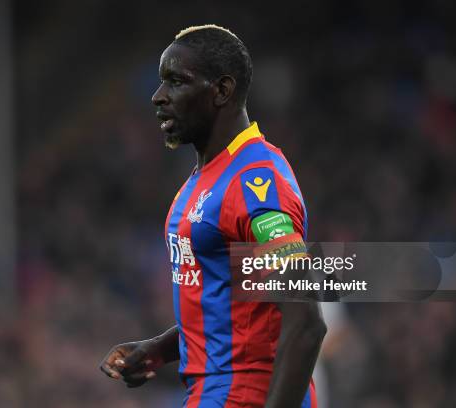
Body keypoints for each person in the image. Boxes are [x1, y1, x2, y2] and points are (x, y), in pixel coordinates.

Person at [100, 24, 326, 408]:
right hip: (212, 393)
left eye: (176, 82)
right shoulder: (207, 179)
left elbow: (306, 322)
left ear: (221, 90)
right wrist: (159, 348)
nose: (158, 97)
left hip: (245, 396)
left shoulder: (256, 180)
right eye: (161, 82)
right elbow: (236, 309)